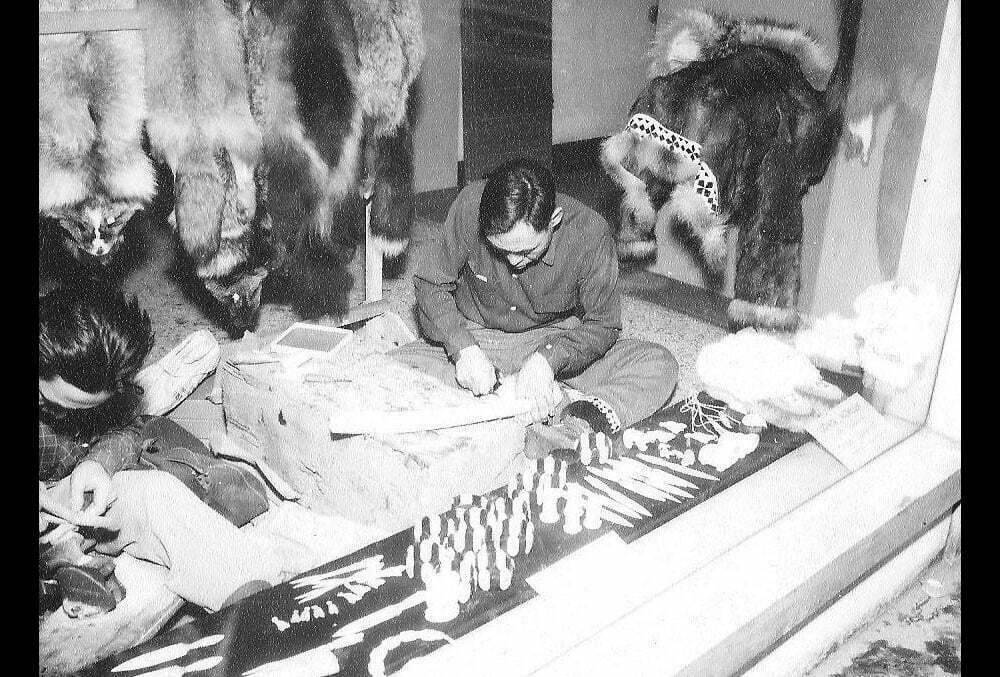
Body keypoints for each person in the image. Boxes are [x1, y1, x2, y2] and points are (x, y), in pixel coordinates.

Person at [38, 283, 299, 616]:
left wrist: (98, 463)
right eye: (51, 405)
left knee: (157, 494)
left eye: (86, 410)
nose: (66, 419)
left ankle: (261, 614)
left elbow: (129, 426)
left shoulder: (98, 381)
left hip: (69, 501)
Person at [391, 158, 679, 457]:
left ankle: (573, 424)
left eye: (526, 251)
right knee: (388, 369)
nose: (513, 261)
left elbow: (603, 325)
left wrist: (548, 360)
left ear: (554, 220)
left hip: (553, 338)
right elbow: (431, 284)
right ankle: (533, 403)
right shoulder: (469, 206)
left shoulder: (590, 233)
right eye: (500, 250)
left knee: (658, 364)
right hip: (479, 337)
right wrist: (463, 349)